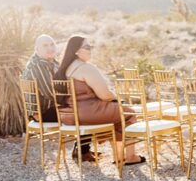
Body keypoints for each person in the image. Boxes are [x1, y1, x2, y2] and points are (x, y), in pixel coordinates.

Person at [55, 36, 143, 166]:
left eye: (90, 47)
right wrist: (117, 98)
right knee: (128, 113)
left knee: (117, 113)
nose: (90, 50)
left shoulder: (65, 69)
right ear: (76, 51)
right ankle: (129, 156)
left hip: (69, 115)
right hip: (89, 112)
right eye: (87, 47)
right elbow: (105, 95)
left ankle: (120, 156)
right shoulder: (86, 68)